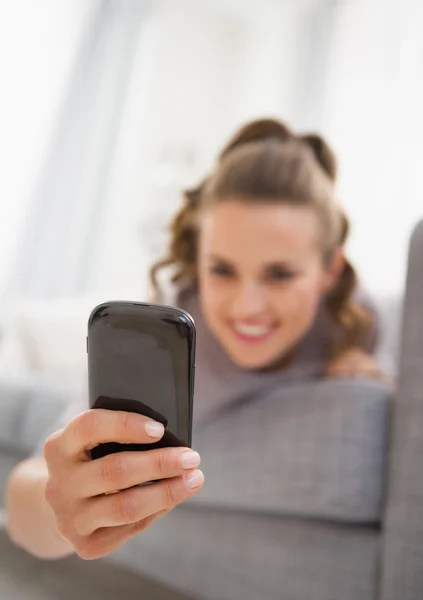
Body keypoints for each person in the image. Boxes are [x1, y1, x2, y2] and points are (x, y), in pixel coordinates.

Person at [5, 118, 387, 561]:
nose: (247, 307)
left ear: (330, 273)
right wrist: (61, 517)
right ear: (197, 260)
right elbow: (24, 500)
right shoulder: (166, 340)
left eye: (279, 274)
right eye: (222, 270)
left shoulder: (354, 321)